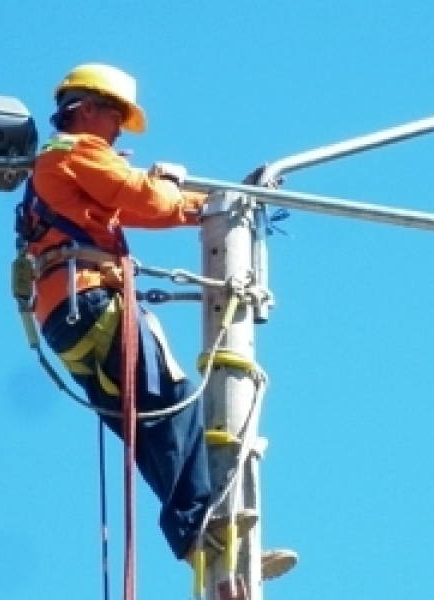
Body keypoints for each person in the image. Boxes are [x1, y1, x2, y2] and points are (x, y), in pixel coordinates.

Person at [17, 63, 296, 580]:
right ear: (86, 109)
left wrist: (220, 205)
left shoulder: (72, 170)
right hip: (92, 304)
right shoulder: (76, 152)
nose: (121, 129)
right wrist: (163, 182)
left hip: (68, 316)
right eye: (116, 115)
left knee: (145, 425)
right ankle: (202, 519)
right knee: (169, 403)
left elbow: (147, 209)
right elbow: (147, 199)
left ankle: (200, 541)